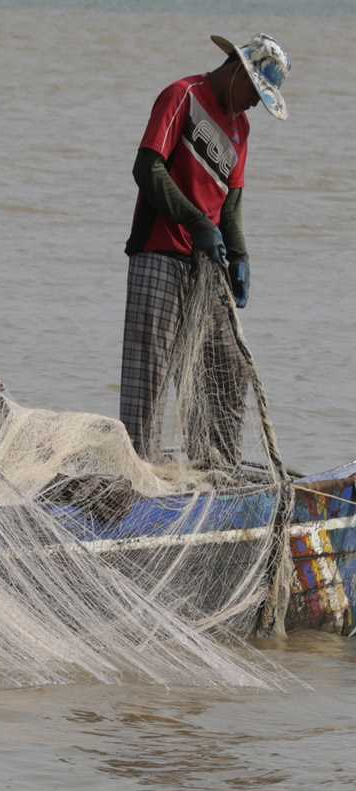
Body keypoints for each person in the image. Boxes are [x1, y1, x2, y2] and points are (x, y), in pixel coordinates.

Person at [119, 33, 290, 467]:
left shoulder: (241, 127)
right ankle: (139, 472)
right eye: (254, 91)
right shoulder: (183, 95)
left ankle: (214, 466)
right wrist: (194, 222)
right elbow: (147, 166)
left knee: (227, 371)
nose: (253, 103)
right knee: (150, 375)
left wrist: (240, 255)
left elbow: (231, 201)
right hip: (160, 253)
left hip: (206, 264)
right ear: (235, 68)